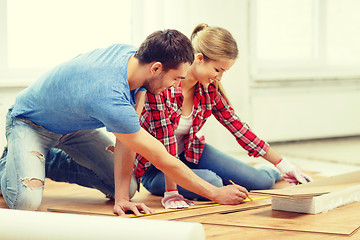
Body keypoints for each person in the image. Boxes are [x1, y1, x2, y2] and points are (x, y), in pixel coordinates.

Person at [0, 29, 250, 215]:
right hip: (30, 122)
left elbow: (127, 139)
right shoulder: (110, 95)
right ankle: (9, 163)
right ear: (156, 68)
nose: (176, 86)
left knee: (127, 188)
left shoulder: (136, 61)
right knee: (26, 203)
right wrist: (215, 193)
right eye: (175, 79)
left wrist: (121, 199)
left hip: (74, 127)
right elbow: (160, 156)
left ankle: (46, 162)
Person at [134, 24, 312, 209]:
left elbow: (239, 128)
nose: (219, 77)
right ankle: (204, 180)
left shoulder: (208, 91)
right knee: (214, 182)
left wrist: (283, 164)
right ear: (200, 58)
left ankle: (266, 172)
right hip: (156, 169)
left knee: (261, 182)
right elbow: (167, 143)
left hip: (190, 152)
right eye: (218, 70)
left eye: (224, 72)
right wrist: (172, 192)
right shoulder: (163, 87)